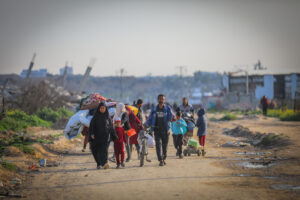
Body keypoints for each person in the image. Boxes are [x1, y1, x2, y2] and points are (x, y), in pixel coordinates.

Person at [146, 94, 173, 166]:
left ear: (164, 100)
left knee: (165, 147)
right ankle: (160, 160)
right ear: (158, 100)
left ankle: (164, 157)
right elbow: (150, 118)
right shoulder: (154, 109)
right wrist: (146, 124)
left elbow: (172, 116)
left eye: (163, 99)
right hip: (157, 129)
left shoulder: (168, 108)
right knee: (158, 145)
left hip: (165, 130)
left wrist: (172, 119)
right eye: (160, 99)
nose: (161, 100)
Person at [89, 102, 118, 169]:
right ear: (99, 108)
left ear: (105, 109)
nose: (102, 109)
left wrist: (114, 136)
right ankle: (99, 163)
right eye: (101, 108)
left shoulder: (108, 117)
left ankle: (105, 163)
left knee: (104, 150)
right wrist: (92, 134)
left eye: (103, 108)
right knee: (95, 151)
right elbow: (91, 127)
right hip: (96, 137)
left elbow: (111, 127)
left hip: (105, 137)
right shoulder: (95, 117)